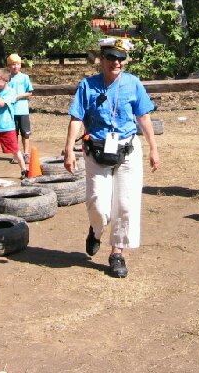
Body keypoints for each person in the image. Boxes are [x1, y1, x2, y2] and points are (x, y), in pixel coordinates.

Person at [63, 37, 160, 279]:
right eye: (111, 58)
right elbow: (76, 118)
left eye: (120, 59)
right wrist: (68, 149)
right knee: (98, 204)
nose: (116, 62)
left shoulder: (133, 83)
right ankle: (96, 231)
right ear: (101, 59)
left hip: (127, 149)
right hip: (96, 150)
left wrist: (153, 148)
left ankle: (117, 253)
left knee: (126, 204)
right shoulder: (88, 85)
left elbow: (144, 116)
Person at [7, 53, 34, 163]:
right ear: (9, 65)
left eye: (17, 64)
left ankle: (26, 154)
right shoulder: (7, 78)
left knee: (25, 133)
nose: (15, 66)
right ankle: (16, 154)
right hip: (11, 111)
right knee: (13, 134)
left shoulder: (25, 77)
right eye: (13, 64)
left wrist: (19, 96)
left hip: (23, 110)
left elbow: (30, 92)